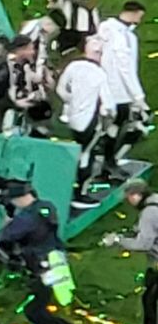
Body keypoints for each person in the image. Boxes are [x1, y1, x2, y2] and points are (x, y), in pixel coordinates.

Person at [0, 181, 79, 324]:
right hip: (55, 260)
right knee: (41, 302)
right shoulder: (46, 207)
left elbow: (3, 238)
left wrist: (8, 216)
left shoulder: (26, 218)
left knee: (34, 310)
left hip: (39, 266)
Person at [56, 37, 116, 207]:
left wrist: (72, 102)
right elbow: (109, 104)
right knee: (85, 155)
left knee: (72, 153)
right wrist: (108, 120)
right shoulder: (99, 74)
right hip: (90, 123)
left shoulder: (73, 66)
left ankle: (64, 188)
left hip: (71, 120)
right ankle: (80, 194)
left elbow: (61, 89)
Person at [101, 180, 158, 324]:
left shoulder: (148, 214)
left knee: (149, 301)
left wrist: (118, 240)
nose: (128, 201)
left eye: (128, 197)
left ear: (136, 195)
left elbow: (143, 244)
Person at [98, 0, 149, 176]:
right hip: (119, 91)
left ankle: (108, 159)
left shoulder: (106, 28)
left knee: (112, 125)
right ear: (135, 13)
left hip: (105, 87)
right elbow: (125, 68)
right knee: (120, 124)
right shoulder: (123, 37)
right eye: (140, 17)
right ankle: (109, 160)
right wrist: (138, 96)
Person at [0, 35, 52, 137]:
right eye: (30, 49)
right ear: (21, 50)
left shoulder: (23, 68)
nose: (33, 52)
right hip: (2, 118)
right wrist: (14, 103)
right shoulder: (4, 69)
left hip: (17, 118)